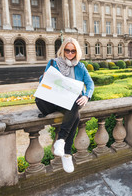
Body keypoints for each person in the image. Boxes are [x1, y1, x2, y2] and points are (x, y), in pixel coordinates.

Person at [35, 37, 94, 173]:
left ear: (77, 52)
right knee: (39, 99)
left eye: (73, 51)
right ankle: (66, 151)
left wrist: (86, 96)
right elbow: (42, 84)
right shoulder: (53, 62)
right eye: (67, 50)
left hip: (70, 102)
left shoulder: (80, 66)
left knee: (76, 107)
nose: (69, 53)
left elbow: (90, 83)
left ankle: (63, 146)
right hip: (53, 100)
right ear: (62, 50)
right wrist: (42, 78)